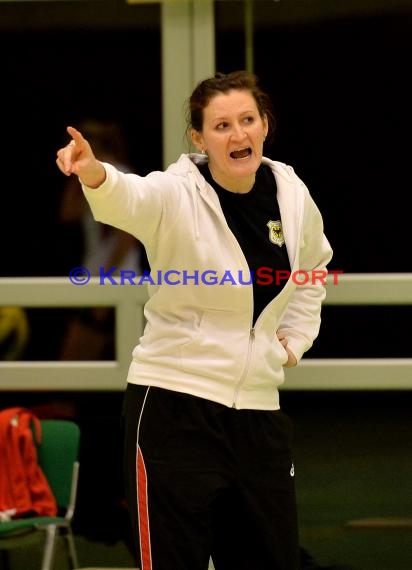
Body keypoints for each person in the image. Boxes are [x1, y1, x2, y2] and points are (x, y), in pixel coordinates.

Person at [56, 70, 333, 570]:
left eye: (247, 119)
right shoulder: (176, 193)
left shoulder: (292, 195)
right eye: (222, 125)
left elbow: (313, 269)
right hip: (172, 409)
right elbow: (129, 197)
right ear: (200, 138)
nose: (238, 133)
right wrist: (96, 173)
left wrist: (292, 341)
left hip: (257, 413)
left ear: (265, 125)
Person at [58, 119, 145, 360]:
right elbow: (68, 214)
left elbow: (128, 236)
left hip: (119, 278)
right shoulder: (88, 178)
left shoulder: (123, 176)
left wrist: (106, 280)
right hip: (94, 276)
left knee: (89, 357)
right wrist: (75, 174)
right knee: (82, 359)